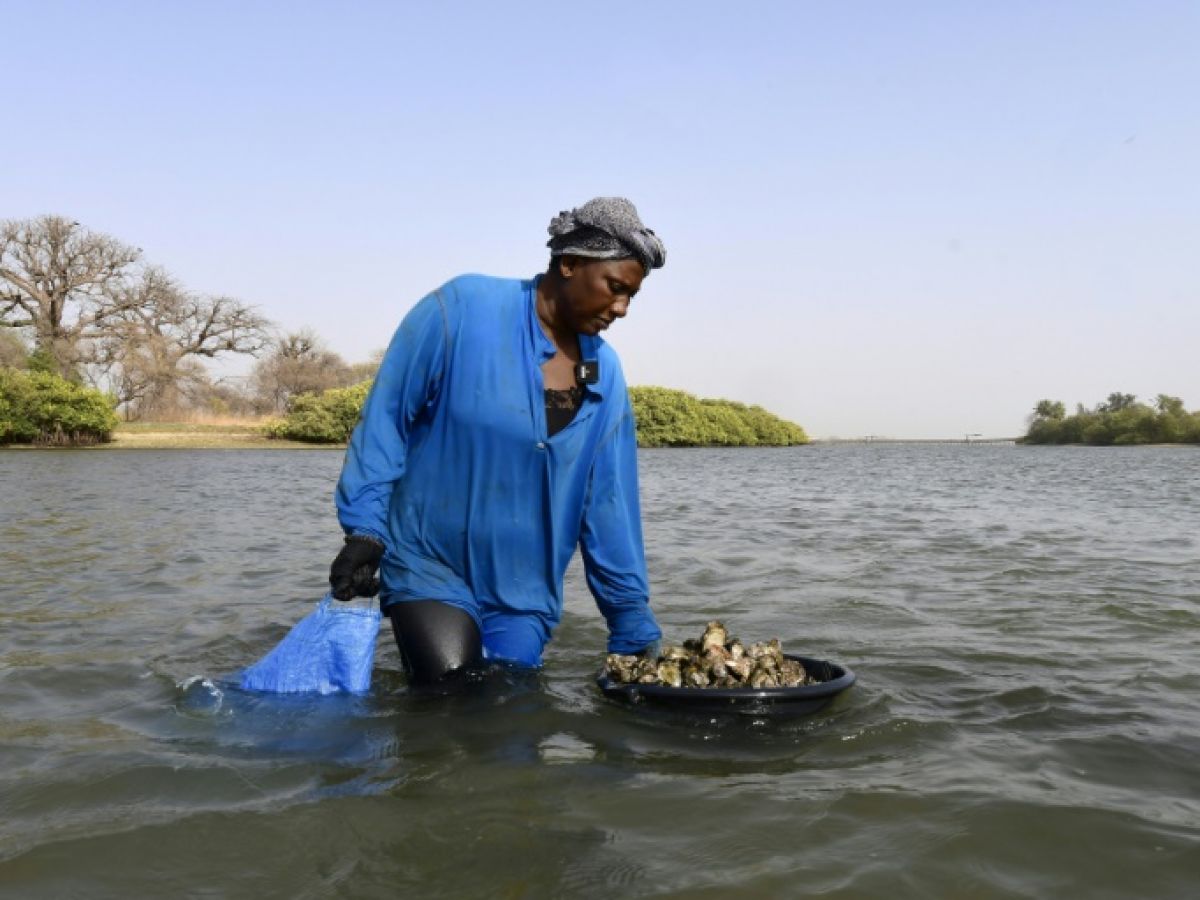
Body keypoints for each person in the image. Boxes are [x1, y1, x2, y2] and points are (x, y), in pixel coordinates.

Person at [328, 197, 665, 685]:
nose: (622, 308)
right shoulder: (460, 310)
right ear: (570, 264)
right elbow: (385, 420)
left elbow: (608, 503)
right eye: (615, 289)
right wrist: (365, 531)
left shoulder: (604, 374)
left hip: (525, 593)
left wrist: (630, 623)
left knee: (511, 717)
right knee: (453, 690)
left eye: (631, 296)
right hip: (430, 563)